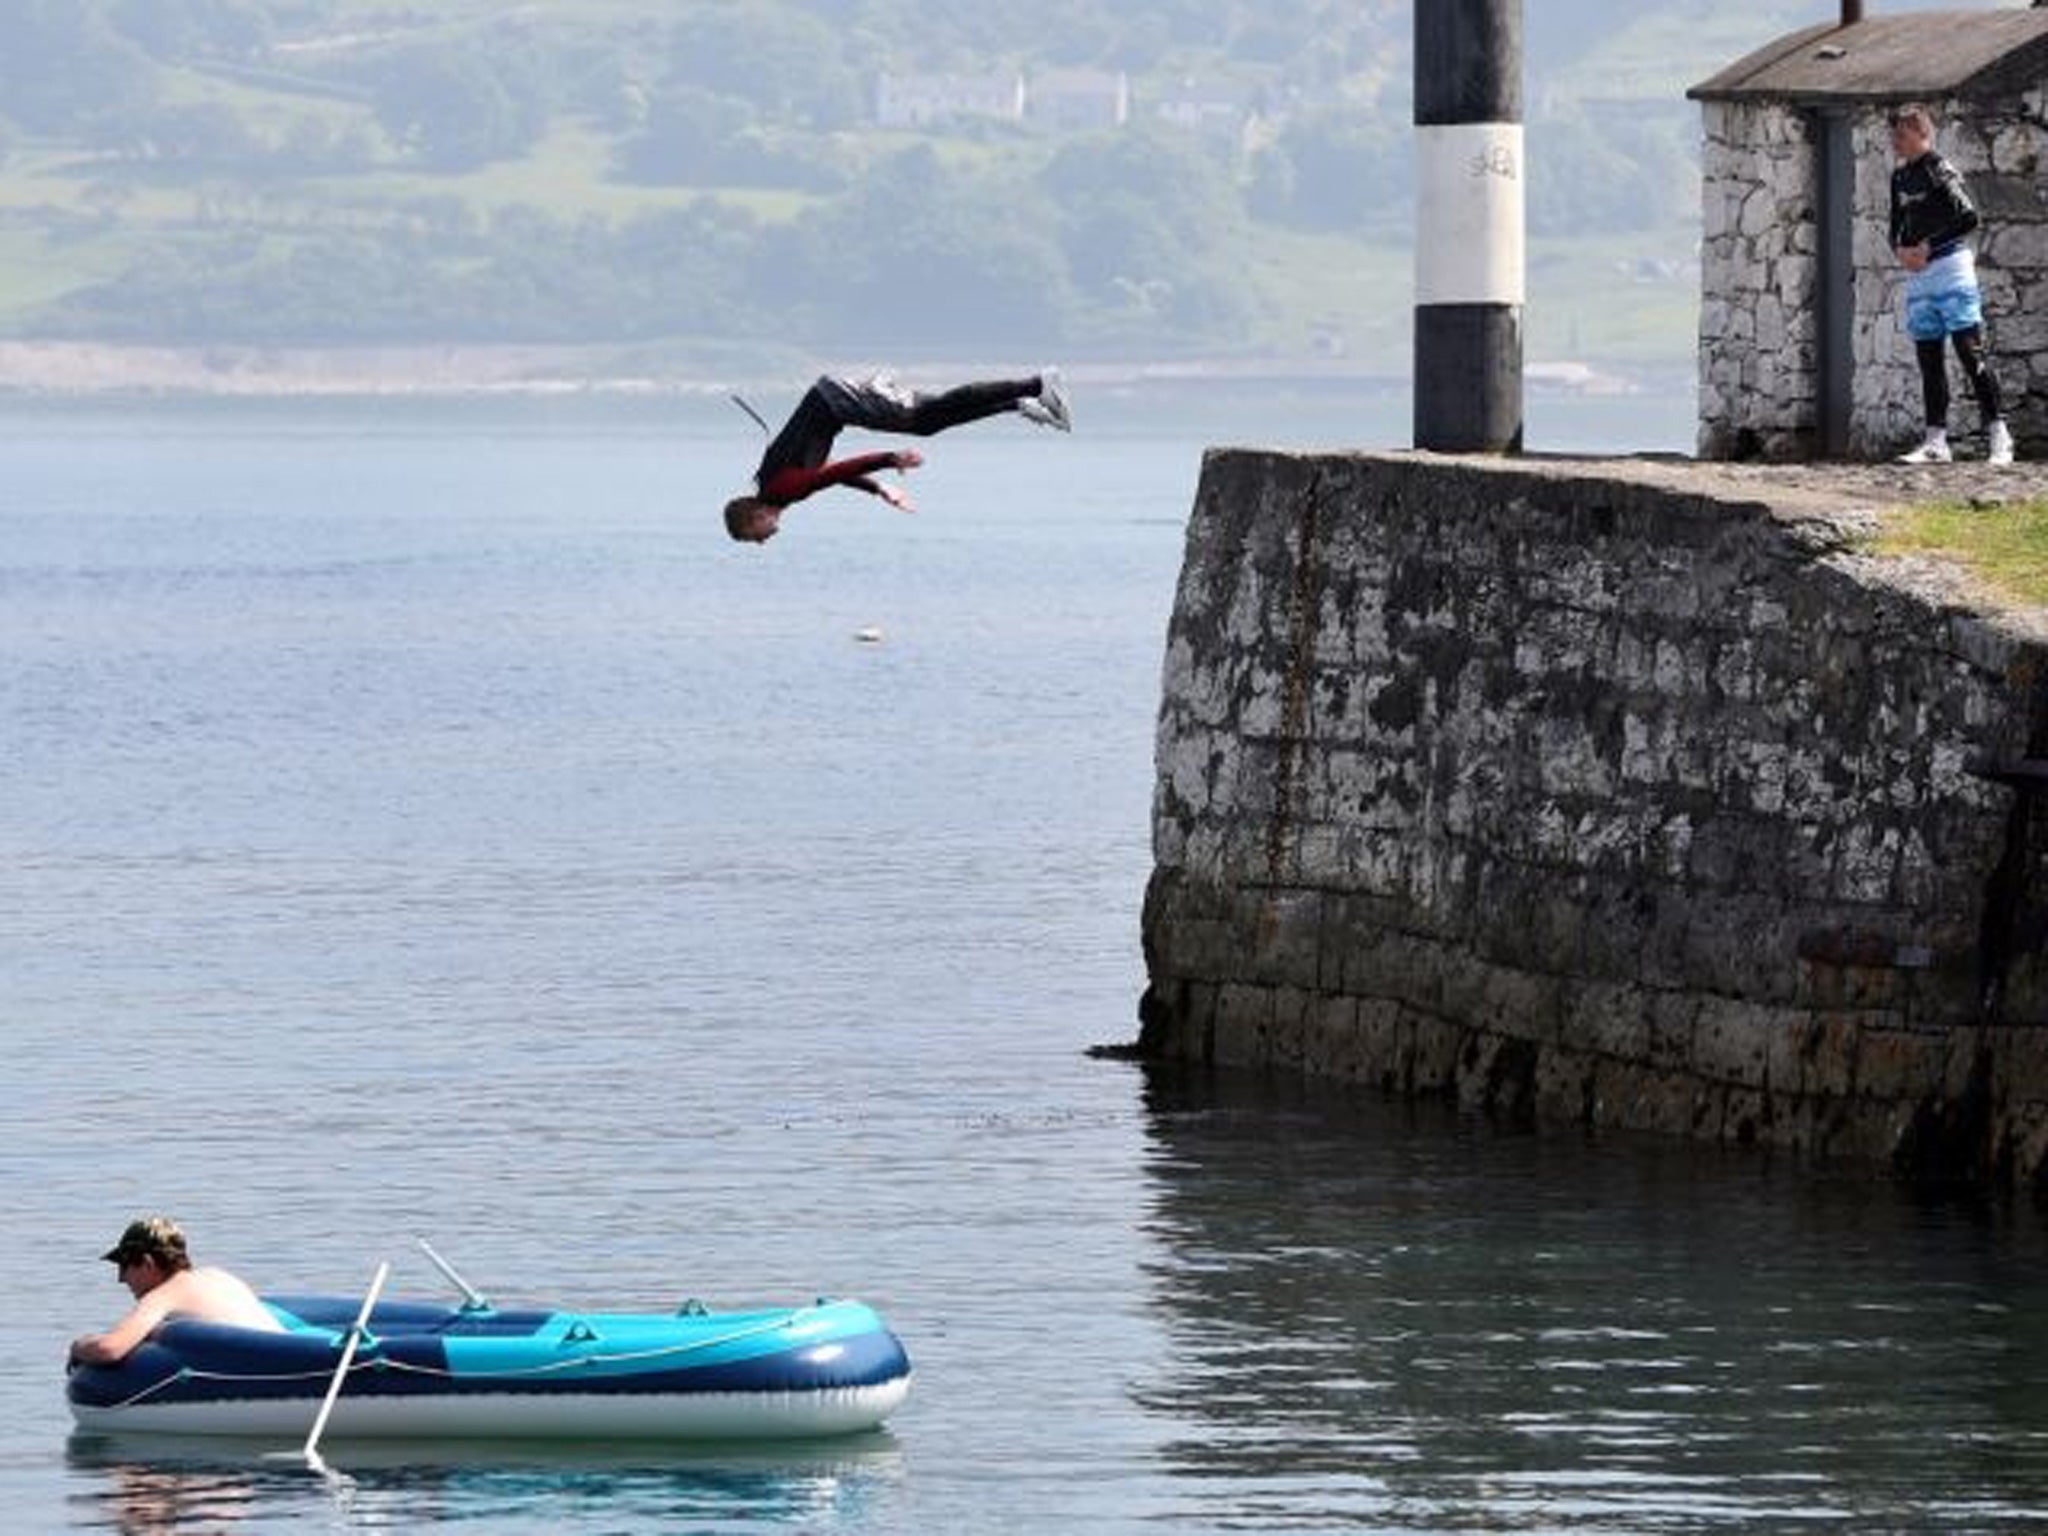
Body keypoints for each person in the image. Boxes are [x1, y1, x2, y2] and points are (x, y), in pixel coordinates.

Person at [723, 369, 1072, 544]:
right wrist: (879, 489)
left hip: (838, 398)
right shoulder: (777, 490)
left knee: (927, 413)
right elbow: (829, 472)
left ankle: (1037, 384)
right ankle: (1020, 403)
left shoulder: (783, 491)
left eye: (757, 536)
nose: (764, 541)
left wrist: (891, 459)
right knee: (928, 422)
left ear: (755, 517)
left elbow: (830, 474)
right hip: (836, 399)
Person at [1889, 103, 2015, 466]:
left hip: (1950, 269)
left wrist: (1929, 246)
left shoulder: (1939, 169)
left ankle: (1999, 434)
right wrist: (1901, 251)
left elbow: (1968, 216)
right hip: (1918, 275)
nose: (1896, 142)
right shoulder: (1899, 178)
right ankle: (1935, 441)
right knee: (1928, 357)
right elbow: (1894, 222)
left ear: (1921, 133)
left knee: (1968, 351)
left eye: (1902, 134)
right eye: (1893, 135)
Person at [67, 1216, 283, 1368]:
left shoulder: (163, 1296)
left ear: (147, 1263)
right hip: (290, 1353)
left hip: (267, 1371)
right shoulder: (219, 1276)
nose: (121, 1278)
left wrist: (78, 1346)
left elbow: (110, 1349)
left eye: (124, 1266)